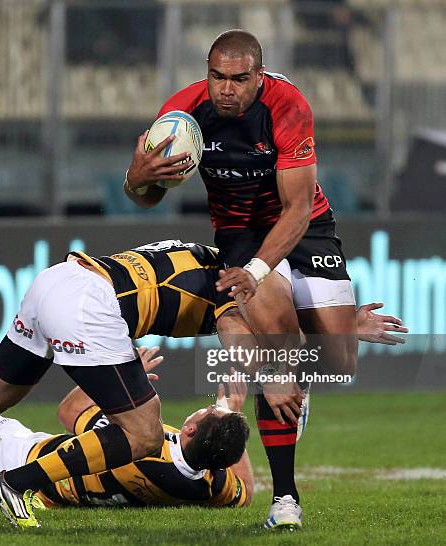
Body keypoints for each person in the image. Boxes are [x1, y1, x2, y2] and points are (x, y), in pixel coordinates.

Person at [0, 239, 406, 526]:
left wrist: (339, 328)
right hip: (92, 306)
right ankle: (18, 485)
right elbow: (240, 348)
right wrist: (266, 382)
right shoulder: (236, 291)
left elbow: (273, 326)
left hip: (58, 280)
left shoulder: (221, 265)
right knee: (142, 432)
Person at [123, 29, 373, 528]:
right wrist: (138, 176)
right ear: (207, 72)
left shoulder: (288, 106)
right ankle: (286, 501)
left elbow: (298, 208)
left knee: (338, 362)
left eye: (239, 79)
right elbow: (147, 197)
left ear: (259, 76)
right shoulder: (181, 115)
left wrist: (261, 270)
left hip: (306, 226)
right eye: (218, 77)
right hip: (237, 232)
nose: (227, 89)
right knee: (274, 345)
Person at [0, 348, 253, 512]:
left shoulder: (144, 442)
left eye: (205, 412)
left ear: (188, 429)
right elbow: (246, 489)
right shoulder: (209, 487)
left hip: (30, 461)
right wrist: (229, 419)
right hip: (56, 494)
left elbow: (71, 408)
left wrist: (128, 377)